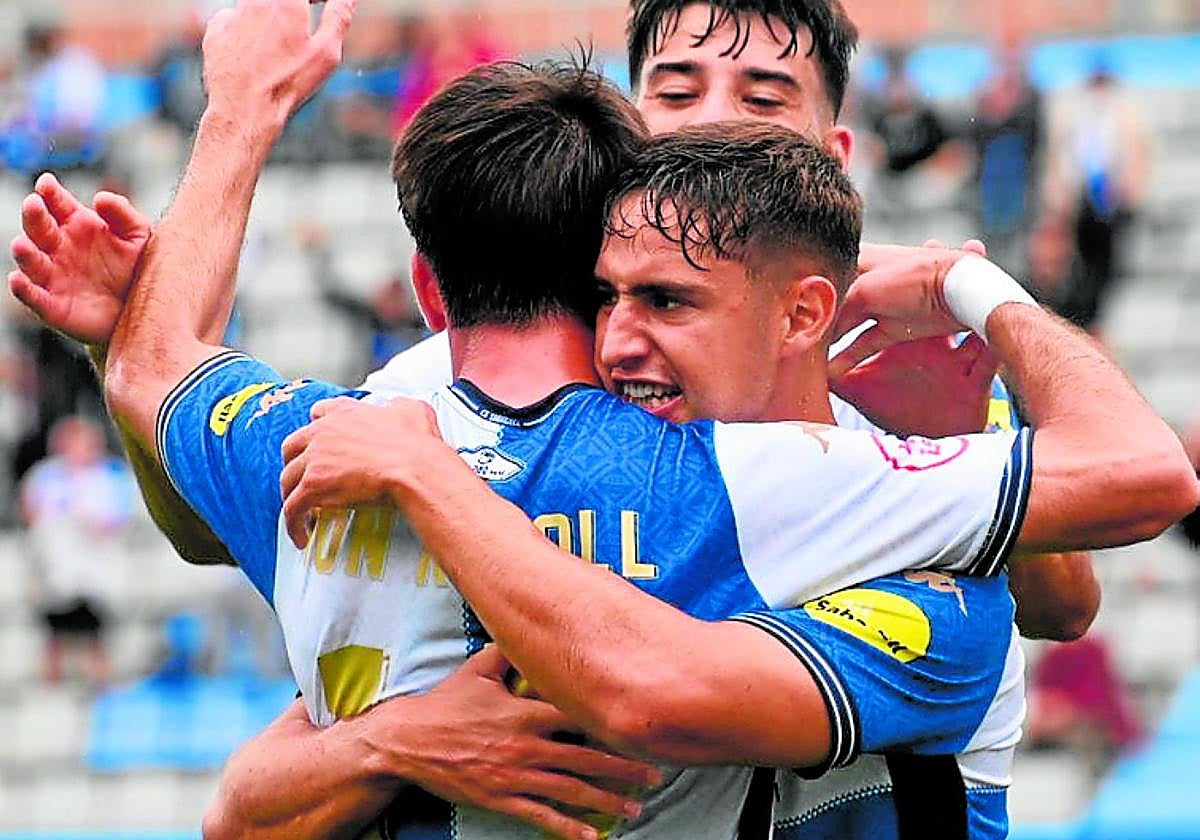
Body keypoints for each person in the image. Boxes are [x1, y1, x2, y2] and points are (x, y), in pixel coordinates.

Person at [17, 8, 1197, 840]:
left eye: (761, 97)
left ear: (833, 158)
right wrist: (393, 740)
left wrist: (961, 329)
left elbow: (1063, 594)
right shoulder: (417, 400)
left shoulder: (883, 419)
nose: (710, 121)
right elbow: (246, 771)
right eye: (676, 92)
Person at [20, 414, 134, 685]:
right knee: (55, 635)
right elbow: (31, 513)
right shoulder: (45, 475)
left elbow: (117, 520)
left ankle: (100, 682)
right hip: (55, 568)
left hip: (97, 566)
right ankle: (51, 690)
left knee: (94, 636)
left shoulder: (112, 474)